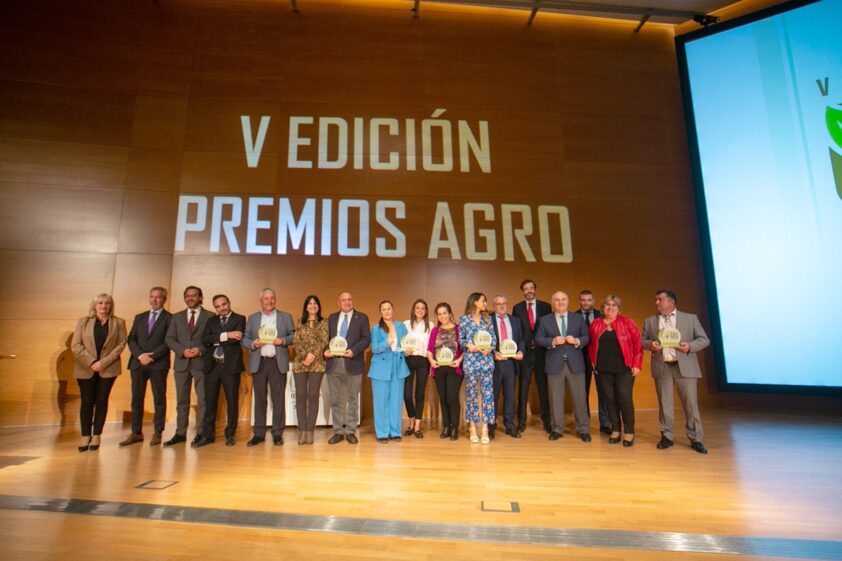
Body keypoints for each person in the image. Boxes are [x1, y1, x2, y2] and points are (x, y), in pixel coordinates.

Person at [641, 289, 711, 454]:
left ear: (671, 302)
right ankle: (667, 437)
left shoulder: (690, 318)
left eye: (660, 299)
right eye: (656, 300)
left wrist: (689, 347)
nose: (656, 302)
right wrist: (650, 345)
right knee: (665, 405)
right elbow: (642, 340)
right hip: (662, 366)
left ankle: (696, 439)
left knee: (691, 405)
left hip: (685, 367)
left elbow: (704, 339)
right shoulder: (650, 321)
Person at [71, 294, 127, 452]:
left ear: (111, 305)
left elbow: (121, 344)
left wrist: (104, 362)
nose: (104, 306)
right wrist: (92, 362)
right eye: (100, 303)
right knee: (87, 401)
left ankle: (97, 434)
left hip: (108, 368)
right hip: (85, 368)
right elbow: (76, 345)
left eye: (107, 303)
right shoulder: (83, 322)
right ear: (94, 306)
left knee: (102, 400)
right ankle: (85, 435)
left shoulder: (119, 322)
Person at [534, 291, 591, 442]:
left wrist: (577, 340)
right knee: (555, 398)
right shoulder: (545, 320)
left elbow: (587, 337)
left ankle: (583, 429)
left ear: (568, 301)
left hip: (575, 364)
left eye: (563, 299)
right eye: (557, 300)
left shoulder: (578, 318)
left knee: (580, 398)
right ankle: (557, 429)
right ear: (552, 302)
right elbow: (538, 339)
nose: (560, 302)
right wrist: (552, 341)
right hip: (554, 364)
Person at [587, 295, 643, 447]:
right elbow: (591, 345)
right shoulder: (595, 324)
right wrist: (593, 363)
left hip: (624, 368)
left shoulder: (627, 322)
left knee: (624, 398)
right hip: (603, 368)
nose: (610, 308)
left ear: (618, 308)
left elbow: (638, 345)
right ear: (602, 308)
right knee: (609, 399)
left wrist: (637, 364)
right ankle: (616, 429)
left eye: (613, 305)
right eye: (607, 305)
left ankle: (629, 431)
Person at [242, 288, 295, 446]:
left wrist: (283, 341)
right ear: (261, 301)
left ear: (275, 300)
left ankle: (278, 433)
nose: (269, 301)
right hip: (259, 362)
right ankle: (259, 433)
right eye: (266, 299)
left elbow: (294, 336)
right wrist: (253, 343)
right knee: (259, 399)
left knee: (278, 399)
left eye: (272, 298)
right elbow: (244, 339)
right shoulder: (252, 318)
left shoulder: (285, 317)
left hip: (277, 362)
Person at [120, 286, 172, 448]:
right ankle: (136, 433)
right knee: (136, 399)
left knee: (159, 399)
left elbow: (169, 341)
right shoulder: (140, 317)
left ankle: (158, 432)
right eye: (152, 297)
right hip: (138, 363)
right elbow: (132, 339)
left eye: (158, 297)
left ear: (164, 299)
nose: (154, 300)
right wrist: (141, 356)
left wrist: (152, 356)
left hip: (158, 364)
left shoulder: (170, 318)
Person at [193, 294, 245, 448]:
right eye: (217, 306)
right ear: (215, 307)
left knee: (232, 401)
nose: (221, 308)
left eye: (223, 304)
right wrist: (227, 335)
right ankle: (208, 435)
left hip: (230, 367)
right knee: (210, 403)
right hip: (212, 366)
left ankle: (230, 434)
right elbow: (205, 339)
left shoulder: (239, 318)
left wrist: (217, 339)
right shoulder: (211, 320)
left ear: (228, 303)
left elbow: (238, 338)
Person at [164, 286, 212, 446]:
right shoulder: (176, 317)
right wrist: (182, 351)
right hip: (181, 363)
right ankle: (180, 433)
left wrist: (200, 349)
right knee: (181, 400)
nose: (191, 298)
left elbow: (212, 339)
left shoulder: (210, 316)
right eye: (188, 296)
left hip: (201, 363)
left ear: (201, 297)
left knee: (203, 400)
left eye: (194, 295)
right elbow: (169, 338)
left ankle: (201, 433)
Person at [323, 291, 370, 445]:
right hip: (334, 363)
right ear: (339, 302)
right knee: (335, 400)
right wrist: (326, 351)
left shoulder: (362, 318)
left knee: (352, 399)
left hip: (353, 362)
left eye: (349, 299)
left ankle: (350, 431)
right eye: (343, 300)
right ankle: (337, 431)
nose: (347, 302)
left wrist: (354, 351)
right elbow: (326, 338)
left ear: (353, 301)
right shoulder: (332, 318)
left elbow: (366, 339)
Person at [512, 279, 552, 433]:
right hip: (525, 354)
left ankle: (546, 421)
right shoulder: (517, 308)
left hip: (542, 353)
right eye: (525, 289)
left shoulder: (546, 306)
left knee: (543, 388)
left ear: (535, 290)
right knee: (523, 388)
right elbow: (518, 331)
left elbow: (549, 329)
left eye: (531, 288)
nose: (529, 291)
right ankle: (521, 421)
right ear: (522, 291)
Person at [458, 292, 497, 445]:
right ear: (474, 302)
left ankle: (485, 429)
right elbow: (461, 339)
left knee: (487, 396)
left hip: (486, 361)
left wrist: (490, 348)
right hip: (471, 361)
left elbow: (493, 339)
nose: (485, 303)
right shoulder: (464, 320)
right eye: (483, 300)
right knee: (472, 395)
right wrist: (470, 346)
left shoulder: (488, 319)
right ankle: (472, 428)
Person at [370, 301, 411, 443]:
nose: (387, 311)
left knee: (396, 400)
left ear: (393, 310)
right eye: (384, 309)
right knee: (380, 401)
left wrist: (408, 351)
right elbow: (374, 348)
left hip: (398, 366)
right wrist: (386, 342)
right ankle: (382, 433)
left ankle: (395, 432)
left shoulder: (401, 326)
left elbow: (405, 346)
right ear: (380, 312)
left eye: (389, 309)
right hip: (380, 368)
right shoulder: (375, 329)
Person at [292, 295, 329, 446]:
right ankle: (302, 431)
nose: (312, 306)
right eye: (310, 303)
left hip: (317, 364)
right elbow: (296, 341)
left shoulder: (324, 322)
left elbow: (324, 341)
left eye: (315, 303)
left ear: (318, 307)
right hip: (300, 364)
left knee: (313, 396)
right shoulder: (300, 322)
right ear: (306, 307)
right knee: (301, 397)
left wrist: (312, 356)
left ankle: (310, 430)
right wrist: (305, 356)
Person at [489, 295, 525, 439]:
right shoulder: (488, 320)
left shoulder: (515, 321)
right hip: (495, 363)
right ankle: (490, 427)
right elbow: (483, 340)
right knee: (492, 397)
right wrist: (493, 353)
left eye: (504, 303)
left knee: (510, 396)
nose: (502, 306)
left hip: (511, 362)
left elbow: (521, 339)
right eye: (499, 304)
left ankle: (509, 425)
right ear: (494, 306)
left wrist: (521, 351)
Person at [426, 303, 463, 441]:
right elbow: (429, 349)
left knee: (452, 397)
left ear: (450, 313)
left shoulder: (458, 329)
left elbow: (465, 348)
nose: (442, 316)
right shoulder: (435, 330)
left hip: (454, 367)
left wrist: (459, 360)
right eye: (439, 314)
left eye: (445, 313)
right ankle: (446, 426)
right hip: (439, 368)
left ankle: (454, 427)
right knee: (443, 398)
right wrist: (431, 360)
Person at [576, 289, 610, 435]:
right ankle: (585, 423)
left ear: (594, 300)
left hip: (599, 359)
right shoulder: (573, 316)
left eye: (589, 300)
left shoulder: (602, 316)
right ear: (579, 301)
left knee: (603, 391)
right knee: (582, 392)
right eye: (583, 300)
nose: (586, 303)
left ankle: (605, 423)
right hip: (580, 359)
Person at [402, 299, 434, 438]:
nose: (420, 310)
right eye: (417, 308)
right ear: (413, 310)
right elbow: (400, 342)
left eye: (423, 308)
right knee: (407, 395)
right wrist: (404, 351)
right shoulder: (406, 324)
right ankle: (411, 421)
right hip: (408, 360)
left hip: (423, 361)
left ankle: (417, 427)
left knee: (419, 394)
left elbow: (431, 345)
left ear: (426, 311)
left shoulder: (430, 325)